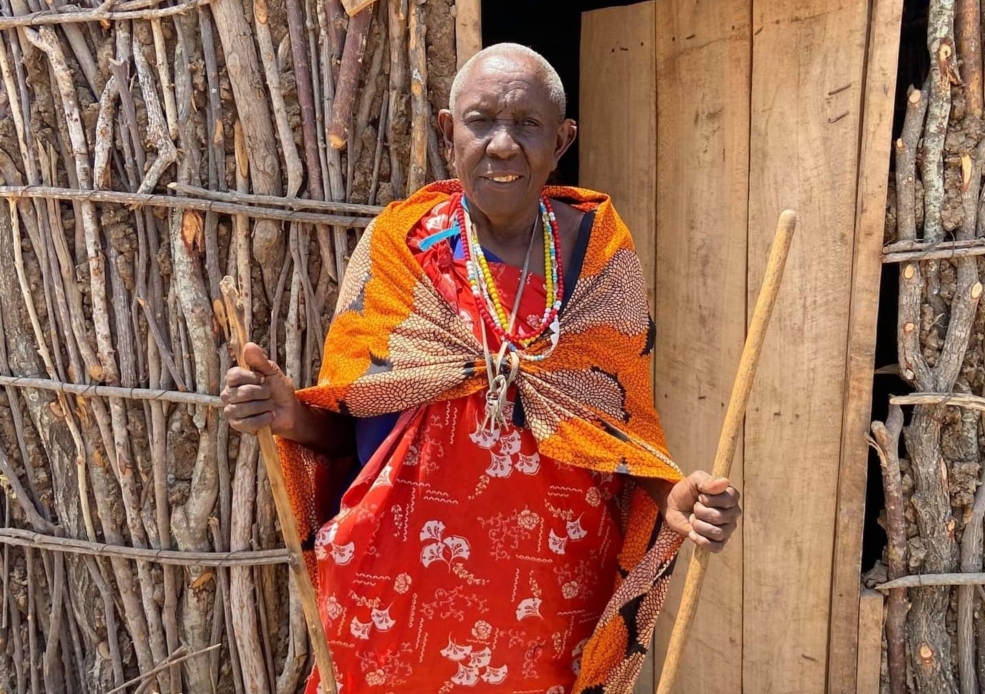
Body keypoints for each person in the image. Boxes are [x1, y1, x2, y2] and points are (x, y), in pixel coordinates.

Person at [222, 43, 740, 694]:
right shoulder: (401, 249)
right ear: (447, 131)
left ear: (562, 141)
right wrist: (287, 413)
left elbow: (618, 435)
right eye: (481, 120)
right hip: (397, 597)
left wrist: (679, 500)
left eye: (527, 124)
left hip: (548, 607)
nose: (502, 144)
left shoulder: (601, 259)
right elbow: (353, 431)